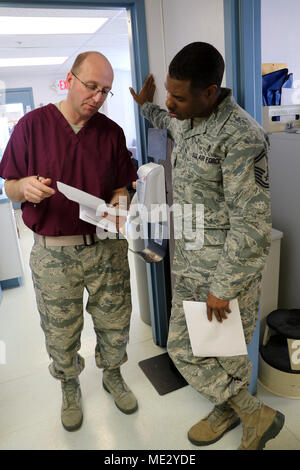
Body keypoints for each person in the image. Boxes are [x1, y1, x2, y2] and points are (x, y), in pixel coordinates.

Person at [130, 42, 285, 450]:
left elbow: (251, 223)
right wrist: (148, 107)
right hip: (191, 266)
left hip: (223, 274)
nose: (170, 102)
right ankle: (248, 411)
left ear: (210, 91)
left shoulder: (241, 137)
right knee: (185, 347)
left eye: (178, 95)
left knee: (226, 354)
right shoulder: (190, 117)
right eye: (167, 90)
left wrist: (224, 286)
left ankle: (240, 412)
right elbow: (168, 119)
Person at [0, 51, 138, 432]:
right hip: (54, 254)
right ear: (70, 80)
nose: (97, 97)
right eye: (91, 86)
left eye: (105, 91)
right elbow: (9, 184)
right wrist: (23, 188)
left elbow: (122, 187)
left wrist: (120, 201)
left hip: (106, 246)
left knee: (115, 322)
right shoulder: (31, 126)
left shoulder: (111, 133)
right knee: (60, 330)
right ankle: (70, 385)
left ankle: (112, 374)